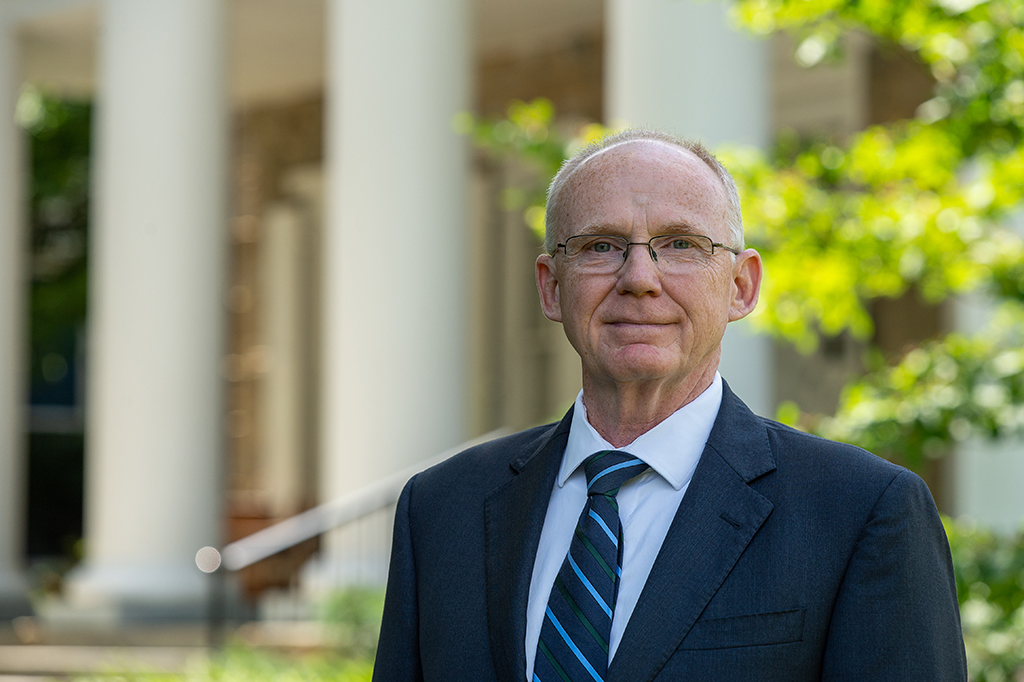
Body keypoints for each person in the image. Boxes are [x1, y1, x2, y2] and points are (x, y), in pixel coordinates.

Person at [372, 129, 967, 681]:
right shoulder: (439, 511)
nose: (639, 278)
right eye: (601, 246)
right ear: (552, 286)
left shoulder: (860, 512)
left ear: (741, 286)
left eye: (680, 244)